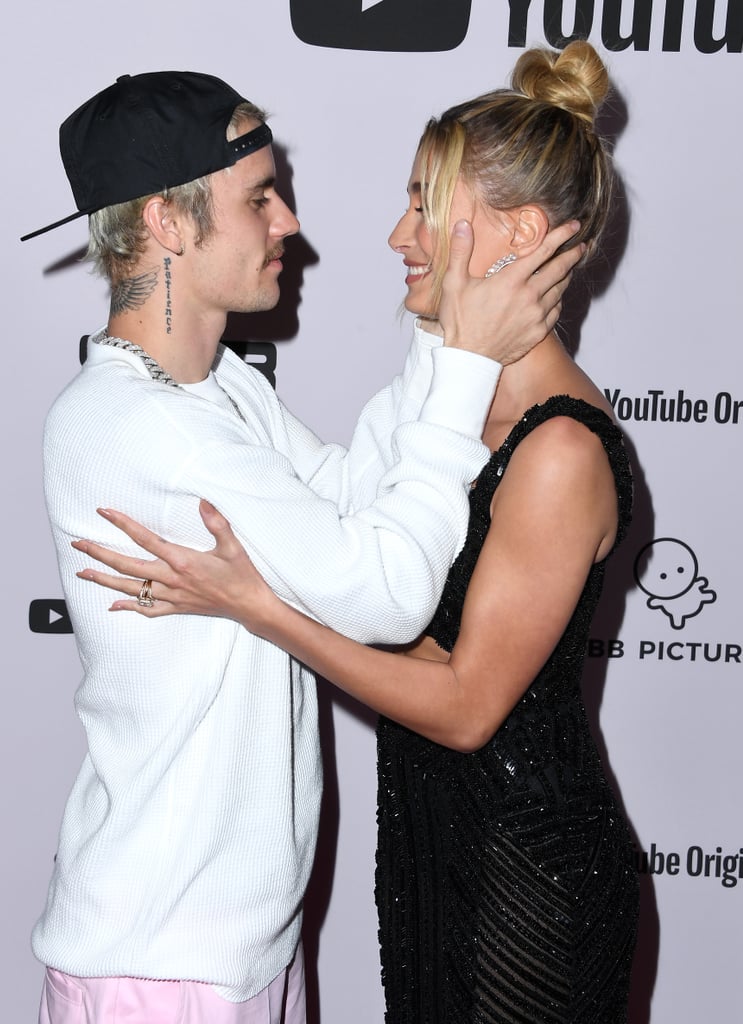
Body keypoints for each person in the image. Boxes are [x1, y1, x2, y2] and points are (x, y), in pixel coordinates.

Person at [75, 41, 640, 1023]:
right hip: (424, 853)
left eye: (424, 204)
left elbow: (463, 705)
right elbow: (372, 538)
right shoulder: (184, 412)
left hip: (523, 874)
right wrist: (451, 348)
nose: (393, 234)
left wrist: (255, 604)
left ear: (519, 234)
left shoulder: (557, 451)